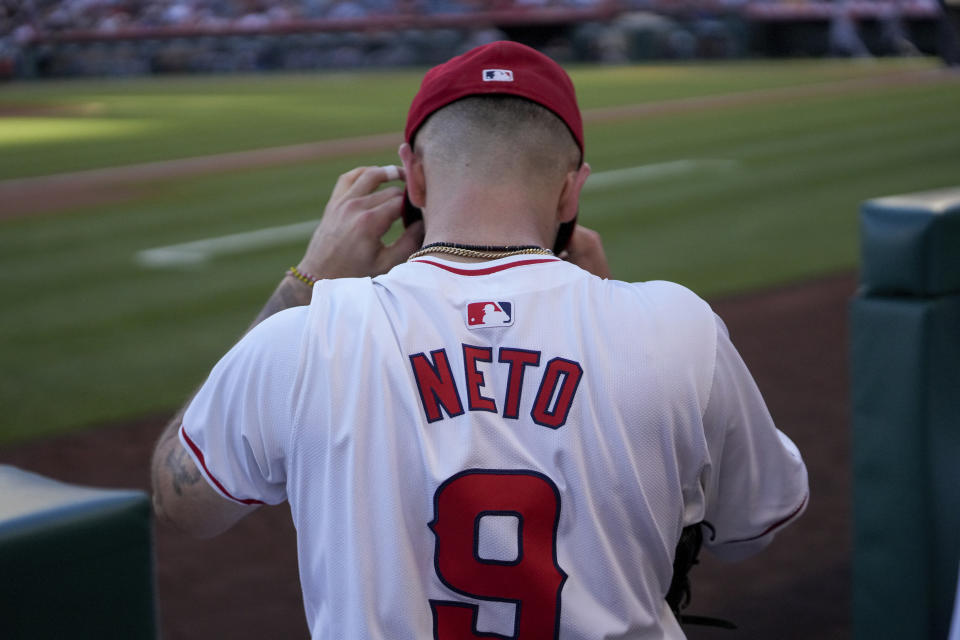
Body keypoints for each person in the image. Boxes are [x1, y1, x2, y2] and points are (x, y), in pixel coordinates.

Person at [152, 40, 808, 638]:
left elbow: (182, 504)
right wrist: (617, 306)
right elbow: (756, 522)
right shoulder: (677, 328)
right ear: (572, 190)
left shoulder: (304, 337)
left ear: (412, 178)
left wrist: (307, 280)